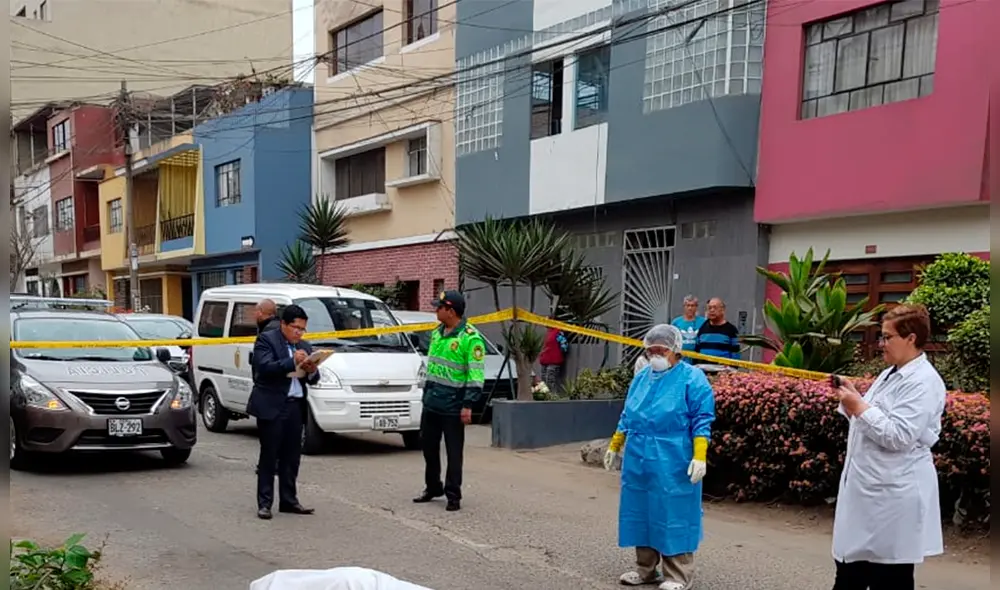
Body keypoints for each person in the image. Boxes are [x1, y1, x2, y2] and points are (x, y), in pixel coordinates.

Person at [829, 304, 945, 590]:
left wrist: (858, 406)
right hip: (868, 491)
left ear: (911, 338)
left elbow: (899, 435)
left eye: (887, 337)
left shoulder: (924, 382)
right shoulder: (891, 373)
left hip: (893, 497)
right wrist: (852, 397)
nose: (881, 344)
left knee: (889, 578)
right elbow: (872, 413)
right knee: (848, 570)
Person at [604, 324, 715, 590]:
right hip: (639, 455)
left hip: (674, 456)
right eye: (651, 350)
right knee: (640, 509)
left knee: (673, 511)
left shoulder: (692, 379)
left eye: (660, 350)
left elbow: (702, 420)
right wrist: (615, 444)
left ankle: (678, 575)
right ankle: (646, 569)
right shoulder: (642, 378)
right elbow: (628, 415)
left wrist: (699, 455)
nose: (655, 355)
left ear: (676, 350)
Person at [413, 290, 486, 512]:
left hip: (454, 405)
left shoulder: (470, 339)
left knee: (454, 453)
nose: (436, 310)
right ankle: (433, 486)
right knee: (428, 448)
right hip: (432, 401)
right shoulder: (437, 333)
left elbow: (475, 375)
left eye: (439, 307)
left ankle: (453, 494)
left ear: (451, 311)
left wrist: (468, 405)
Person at [248, 304, 321, 520]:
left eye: (302, 329)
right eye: (295, 327)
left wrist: (312, 370)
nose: (299, 332)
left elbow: (314, 379)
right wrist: (292, 361)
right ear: (283, 324)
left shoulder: (305, 346)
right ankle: (265, 503)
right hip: (272, 405)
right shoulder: (267, 340)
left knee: (292, 457)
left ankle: (289, 500)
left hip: (295, 406)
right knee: (270, 456)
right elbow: (264, 368)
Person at [670, 295, 706, 361]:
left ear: (696, 307)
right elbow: (671, 340)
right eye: (688, 305)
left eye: (692, 306)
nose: (690, 308)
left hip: (698, 358)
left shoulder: (703, 322)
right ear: (684, 307)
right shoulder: (676, 322)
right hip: (680, 358)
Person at [538, 326, 569, 393]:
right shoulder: (547, 332)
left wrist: (562, 351)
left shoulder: (558, 332)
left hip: (554, 361)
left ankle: (553, 397)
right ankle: (546, 396)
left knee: (550, 379)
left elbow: (564, 344)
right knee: (544, 381)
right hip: (545, 360)